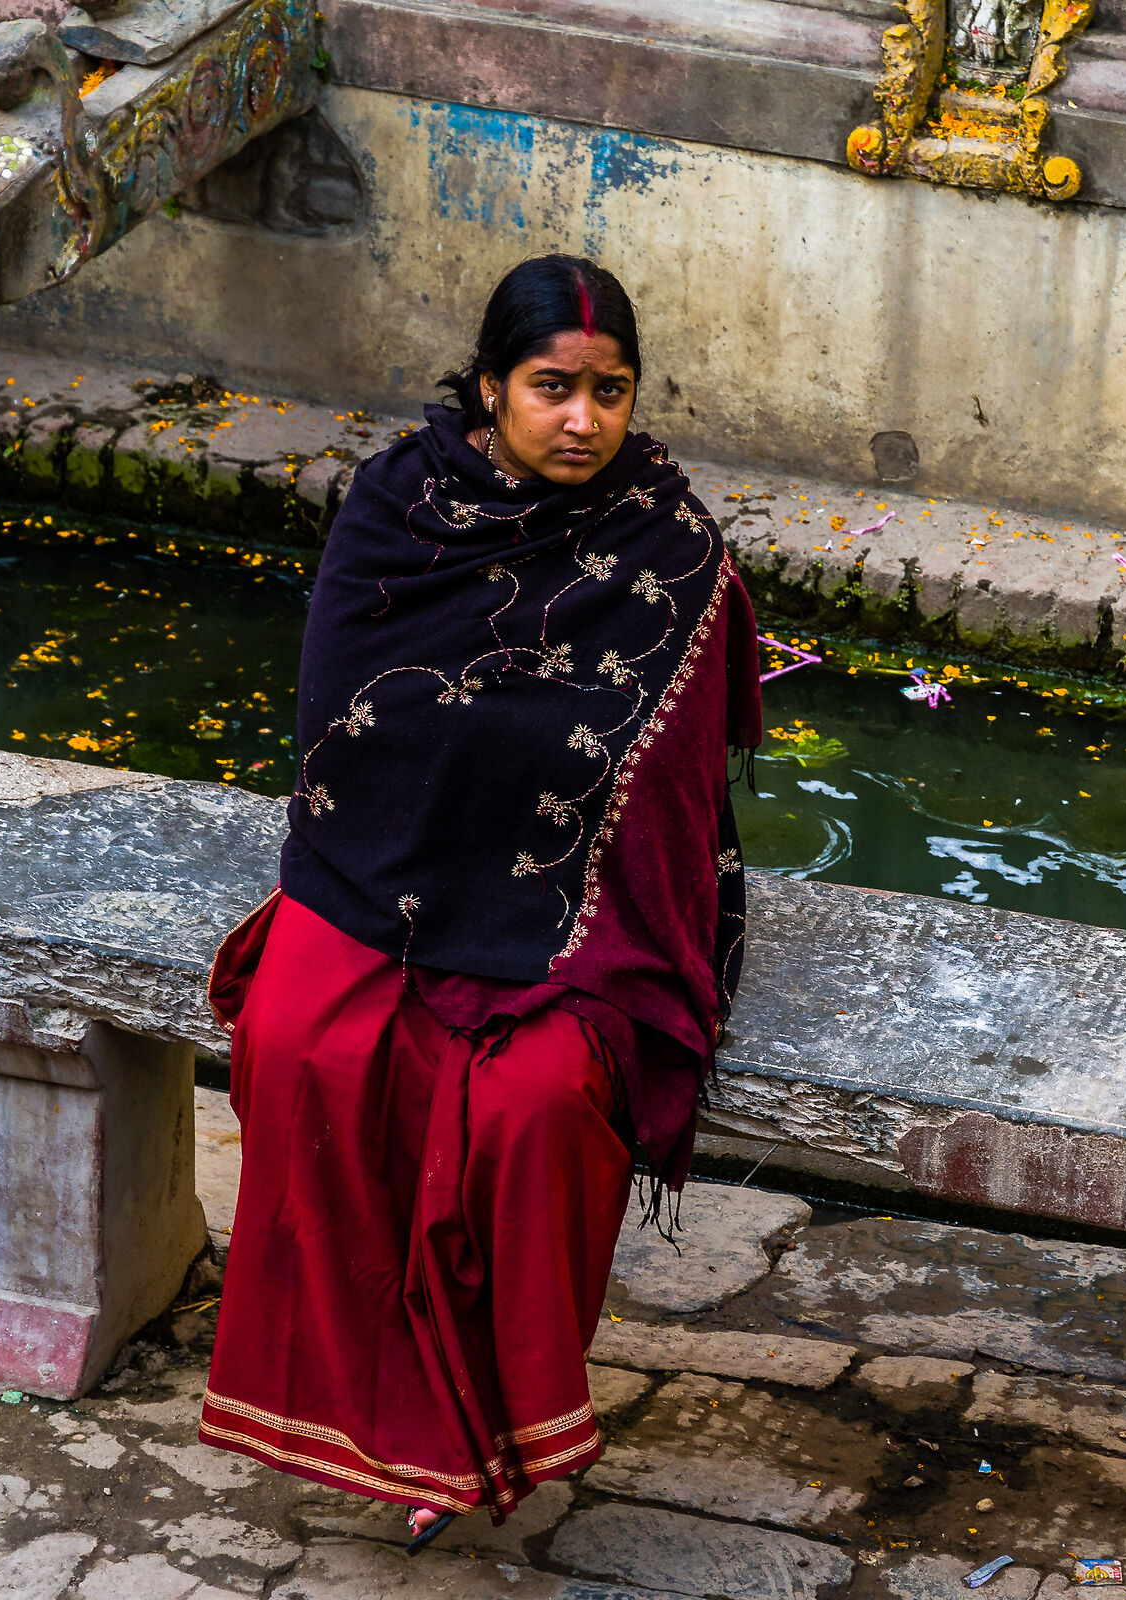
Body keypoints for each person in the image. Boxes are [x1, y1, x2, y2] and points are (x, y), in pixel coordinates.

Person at [195, 255, 763, 1549]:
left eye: (609, 391)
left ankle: (481, 1439)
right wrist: (495, 735)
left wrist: (489, 740)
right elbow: (347, 721)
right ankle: (345, 1408)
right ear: (492, 389)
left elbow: (670, 799)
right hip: (381, 877)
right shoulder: (404, 504)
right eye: (553, 388)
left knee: (532, 1107)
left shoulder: (668, 547)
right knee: (296, 1044)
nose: (584, 419)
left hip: (586, 917)